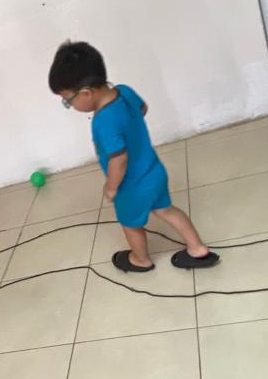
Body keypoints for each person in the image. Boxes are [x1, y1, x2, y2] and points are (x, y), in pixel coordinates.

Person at [48, 41, 220, 273]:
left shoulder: (103, 121)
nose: (70, 105)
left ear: (86, 93)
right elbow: (143, 109)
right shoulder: (124, 91)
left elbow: (119, 160)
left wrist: (111, 187)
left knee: (130, 224)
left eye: (68, 101)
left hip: (131, 186)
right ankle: (197, 248)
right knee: (166, 210)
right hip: (154, 171)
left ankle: (140, 259)